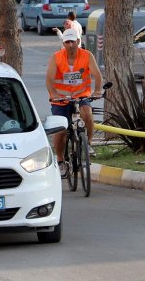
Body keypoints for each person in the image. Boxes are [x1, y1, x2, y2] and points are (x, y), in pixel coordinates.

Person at [46, 28, 103, 178]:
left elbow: (97, 75)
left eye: (73, 41)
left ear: (78, 41)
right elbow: (50, 79)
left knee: (87, 113)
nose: (70, 44)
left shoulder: (87, 55)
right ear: (63, 43)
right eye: (67, 42)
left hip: (81, 95)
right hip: (60, 98)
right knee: (61, 129)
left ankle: (88, 144)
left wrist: (97, 91)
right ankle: (60, 160)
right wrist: (54, 94)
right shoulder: (56, 57)